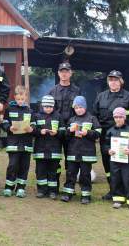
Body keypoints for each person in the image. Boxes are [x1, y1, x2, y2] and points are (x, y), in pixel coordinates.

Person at [93, 70, 129, 200]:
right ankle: (113, 190)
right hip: (106, 137)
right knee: (108, 165)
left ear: (121, 81)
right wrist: (97, 131)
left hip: (124, 136)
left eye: (116, 79)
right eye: (111, 80)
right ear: (108, 82)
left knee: (124, 165)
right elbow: (95, 116)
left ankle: (126, 191)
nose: (113, 82)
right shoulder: (101, 96)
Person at [61, 96, 101, 205]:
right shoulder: (72, 120)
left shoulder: (92, 118)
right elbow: (65, 136)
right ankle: (68, 193)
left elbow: (98, 133)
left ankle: (86, 195)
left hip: (87, 153)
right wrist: (70, 130)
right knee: (70, 173)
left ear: (85, 107)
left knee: (85, 175)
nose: (78, 109)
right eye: (76, 108)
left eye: (80, 107)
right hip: (73, 152)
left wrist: (87, 133)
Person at [48, 62, 81, 190]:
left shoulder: (77, 90)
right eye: (62, 71)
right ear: (58, 73)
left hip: (71, 131)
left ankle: (69, 187)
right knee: (54, 160)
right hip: (56, 131)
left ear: (71, 73)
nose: (64, 73)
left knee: (71, 160)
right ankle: (54, 187)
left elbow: (80, 110)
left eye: (67, 71)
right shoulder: (52, 91)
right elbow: (47, 111)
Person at [103, 107, 129, 212]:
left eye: (120, 117)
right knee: (115, 179)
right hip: (114, 161)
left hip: (127, 161)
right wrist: (108, 150)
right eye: (116, 117)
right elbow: (105, 145)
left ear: (124, 118)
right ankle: (118, 200)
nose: (118, 119)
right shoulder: (110, 131)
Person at [0, 85, 35, 198]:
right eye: (18, 99)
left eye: (22, 98)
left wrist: (31, 129)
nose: (20, 101)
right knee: (13, 165)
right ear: (15, 97)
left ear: (26, 97)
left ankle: (21, 188)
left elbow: (34, 125)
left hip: (26, 144)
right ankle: (8, 187)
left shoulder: (30, 111)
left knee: (24, 166)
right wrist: (9, 127)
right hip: (13, 144)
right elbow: (4, 123)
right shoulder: (9, 109)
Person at [33, 95, 63, 199]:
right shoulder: (36, 116)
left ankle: (53, 191)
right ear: (42, 106)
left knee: (52, 172)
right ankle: (41, 190)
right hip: (40, 150)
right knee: (40, 171)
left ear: (53, 106)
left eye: (50, 107)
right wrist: (39, 131)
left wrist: (57, 133)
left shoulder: (58, 116)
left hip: (54, 150)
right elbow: (32, 130)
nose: (48, 109)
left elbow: (64, 131)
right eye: (46, 107)